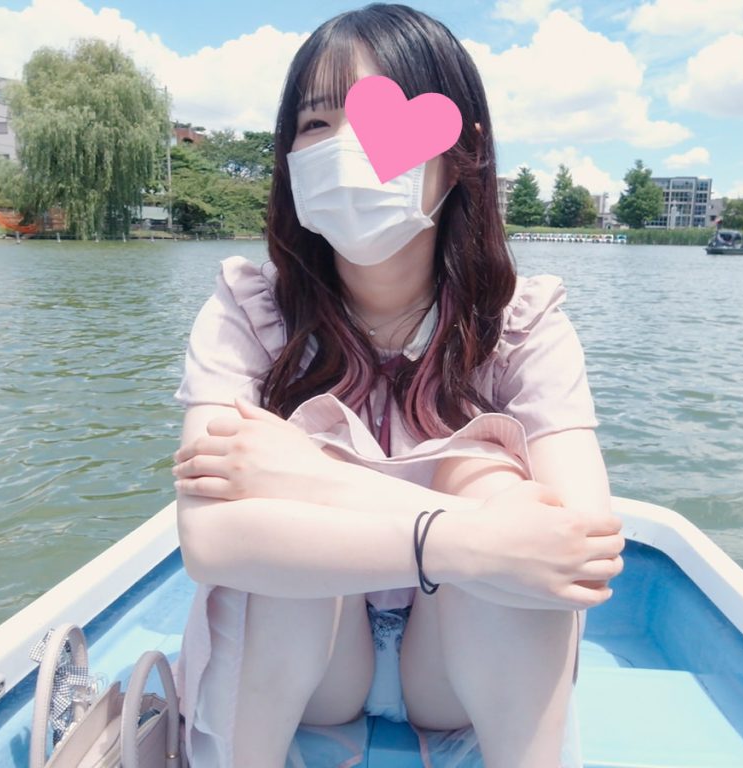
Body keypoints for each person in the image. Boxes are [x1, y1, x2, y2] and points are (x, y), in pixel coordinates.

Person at [170, 4, 624, 767]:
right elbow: (209, 542)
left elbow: (579, 551)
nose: (346, 147)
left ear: (461, 151)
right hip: (312, 662)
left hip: (460, 666)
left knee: (485, 473)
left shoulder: (521, 323)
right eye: (317, 123)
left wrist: (314, 478)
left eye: (381, 119)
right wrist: (469, 540)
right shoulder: (249, 310)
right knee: (291, 515)